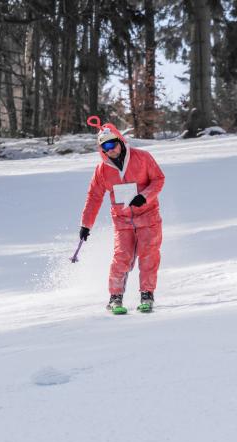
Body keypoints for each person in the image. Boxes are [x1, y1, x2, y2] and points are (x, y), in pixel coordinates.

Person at [79, 116, 165, 313]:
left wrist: (144, 197)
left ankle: (147, 295)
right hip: (122, 220)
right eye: (105, 147)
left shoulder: (142, 158)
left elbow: (158, 179)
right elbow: (94, 197)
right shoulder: (102, 170)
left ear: (119, 141)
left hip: (148, 217)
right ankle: (115, 297)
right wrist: (86, 224)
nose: (110, 150)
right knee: (121, 257)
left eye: (112, 144)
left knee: (149, 255)